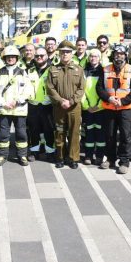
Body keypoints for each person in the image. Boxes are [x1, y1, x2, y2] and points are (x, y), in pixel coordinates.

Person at [97, 44, 131, 174]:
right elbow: (99, 88)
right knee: (109, 135)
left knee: (125, 136)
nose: (118, 57)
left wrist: (122, 101)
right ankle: (110, 159)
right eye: (116, 54)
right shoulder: (105, 69)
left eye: (121, 55)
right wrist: (109, 98)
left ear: (125, 56)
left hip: (125, 109)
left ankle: (124, 162)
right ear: (113, 55)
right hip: (109, 108)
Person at [46, 40, 85, 169]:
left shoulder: (78, 69)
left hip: (74, 107)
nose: (65, 54)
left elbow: (81, 88)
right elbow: (50, 88)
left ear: (72, 53)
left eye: (67, 52)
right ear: (59, 53)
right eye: (62, 52)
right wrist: (61, 101)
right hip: (59, 107)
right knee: (59, 132)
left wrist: (71, 101)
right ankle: (60, 157)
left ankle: (73, 158)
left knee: (74, 133)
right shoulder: (53, 69)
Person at [0, 45, 33, 166]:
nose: (10, 59)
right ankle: (2, 155)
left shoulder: (22, 72)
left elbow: (28, 90)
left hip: (19, 109)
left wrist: (18, 101)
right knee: (3, 134)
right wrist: (3, 103)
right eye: (8, 57)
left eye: (13, 57)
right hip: (4, 109)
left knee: (21, 133)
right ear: (4, 58)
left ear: (17, 58)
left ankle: (22, 156)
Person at [27, 46, 56, 161]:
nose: (39, 58)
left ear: (46, 56)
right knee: (34, 130)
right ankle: (34, 152)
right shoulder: (30, 70)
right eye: (37, 56)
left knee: (49, 130)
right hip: (33, 105)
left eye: (41, 55)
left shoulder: (52, 70)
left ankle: (50, 152)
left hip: (47, 106)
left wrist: (51, 99)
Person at [81, 49, 105, 165]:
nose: (93, 58)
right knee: (89, 133)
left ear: (99, 58)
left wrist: (99, 105)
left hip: (101, 109)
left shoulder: (104, 72)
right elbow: (81, 91)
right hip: (88, 109)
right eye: (91, 56)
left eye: (95, 56)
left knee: (101, 134)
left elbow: (105, 90)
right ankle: (88, 156)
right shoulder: (84, 72)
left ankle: (100, 156)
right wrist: (86, 106)